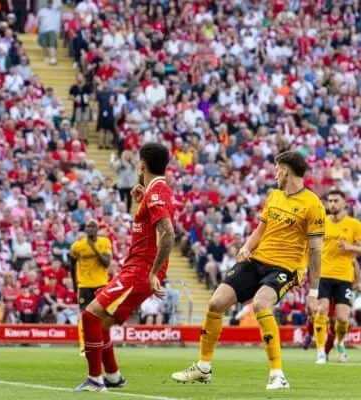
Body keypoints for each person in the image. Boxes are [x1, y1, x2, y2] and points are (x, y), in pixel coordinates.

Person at [171, 151, 326, 390]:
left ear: (286, 170)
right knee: (215, 303)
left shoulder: (313, 204)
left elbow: (316, 251)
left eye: (277, 169)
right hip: (257, 261)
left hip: (286, 267)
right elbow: (260, 231)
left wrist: (313, 293)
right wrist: (246, 247)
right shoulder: (274, 196)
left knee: (261, 304)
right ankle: (203, 367)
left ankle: (277, 374)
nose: (275, 174)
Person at [74, 142, 175, 392]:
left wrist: (153, 273)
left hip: (141, 271)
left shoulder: (157, 193)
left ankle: (95, 379)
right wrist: (138, 202)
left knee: (91, 315)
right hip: (135, 268)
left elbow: (168, 234)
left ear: (141, 165)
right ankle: (112, 375)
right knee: (101, 320)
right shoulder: (153, 192)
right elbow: (150, 230)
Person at [314, 189, 361, 364]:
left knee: (342, 319)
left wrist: (350, 248)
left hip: (344, 277)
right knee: (322, 310)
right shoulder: (321, 223)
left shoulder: (354, 225)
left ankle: (339, 343)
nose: (332, 204)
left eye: (336, 201)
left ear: (344, 203)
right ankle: (320, 351)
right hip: (323, 275)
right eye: (330, 201)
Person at [70, 220, 112, 354]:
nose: (91, 229)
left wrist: (94, 248)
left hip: (101, 284)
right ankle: (84, 346)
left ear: (97, 229)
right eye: (88, 226)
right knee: (84, 315)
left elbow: (106, 263)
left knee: (102, 316)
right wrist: (75, 284)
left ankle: (102, 344)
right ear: (85, 229)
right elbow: (72, 265)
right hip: (85, 285)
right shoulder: (77, 245)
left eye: (93, 226)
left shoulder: (104, 242)